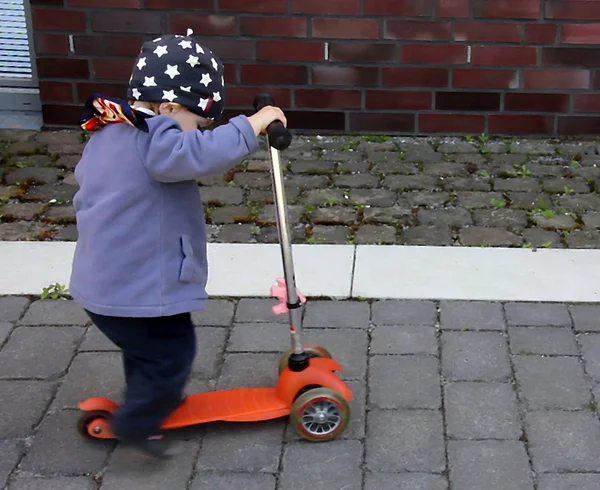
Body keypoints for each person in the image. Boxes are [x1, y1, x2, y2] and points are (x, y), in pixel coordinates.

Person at [70, 29, 287, 459]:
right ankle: (137, 423)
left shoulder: (113, 133)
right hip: (136, 285)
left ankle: (147, 400)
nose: (199, 132)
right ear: (168, 107)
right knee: (171, 353)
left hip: (109, 282)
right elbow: (197, 154)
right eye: (198, 123)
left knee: (147, 351)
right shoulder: (157, 139)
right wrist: (253, 124)